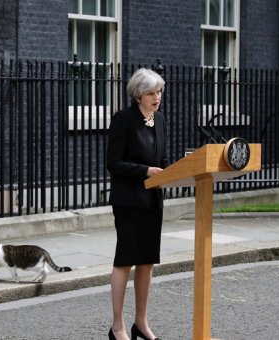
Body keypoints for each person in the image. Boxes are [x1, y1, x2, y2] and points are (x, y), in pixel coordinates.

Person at [106, 68, 168, 340]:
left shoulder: (160, 120)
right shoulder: (123, 120)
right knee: (125, 261)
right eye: (151, 93)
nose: (157, 98)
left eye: (159, 92)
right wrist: (145, 171)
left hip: (153, 201)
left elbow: (162, 160)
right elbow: (113, 163)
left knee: (147, 262)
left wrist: (169, 172)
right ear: (138, 95)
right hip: (129, 201)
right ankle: (117, 326)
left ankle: (140, 323)